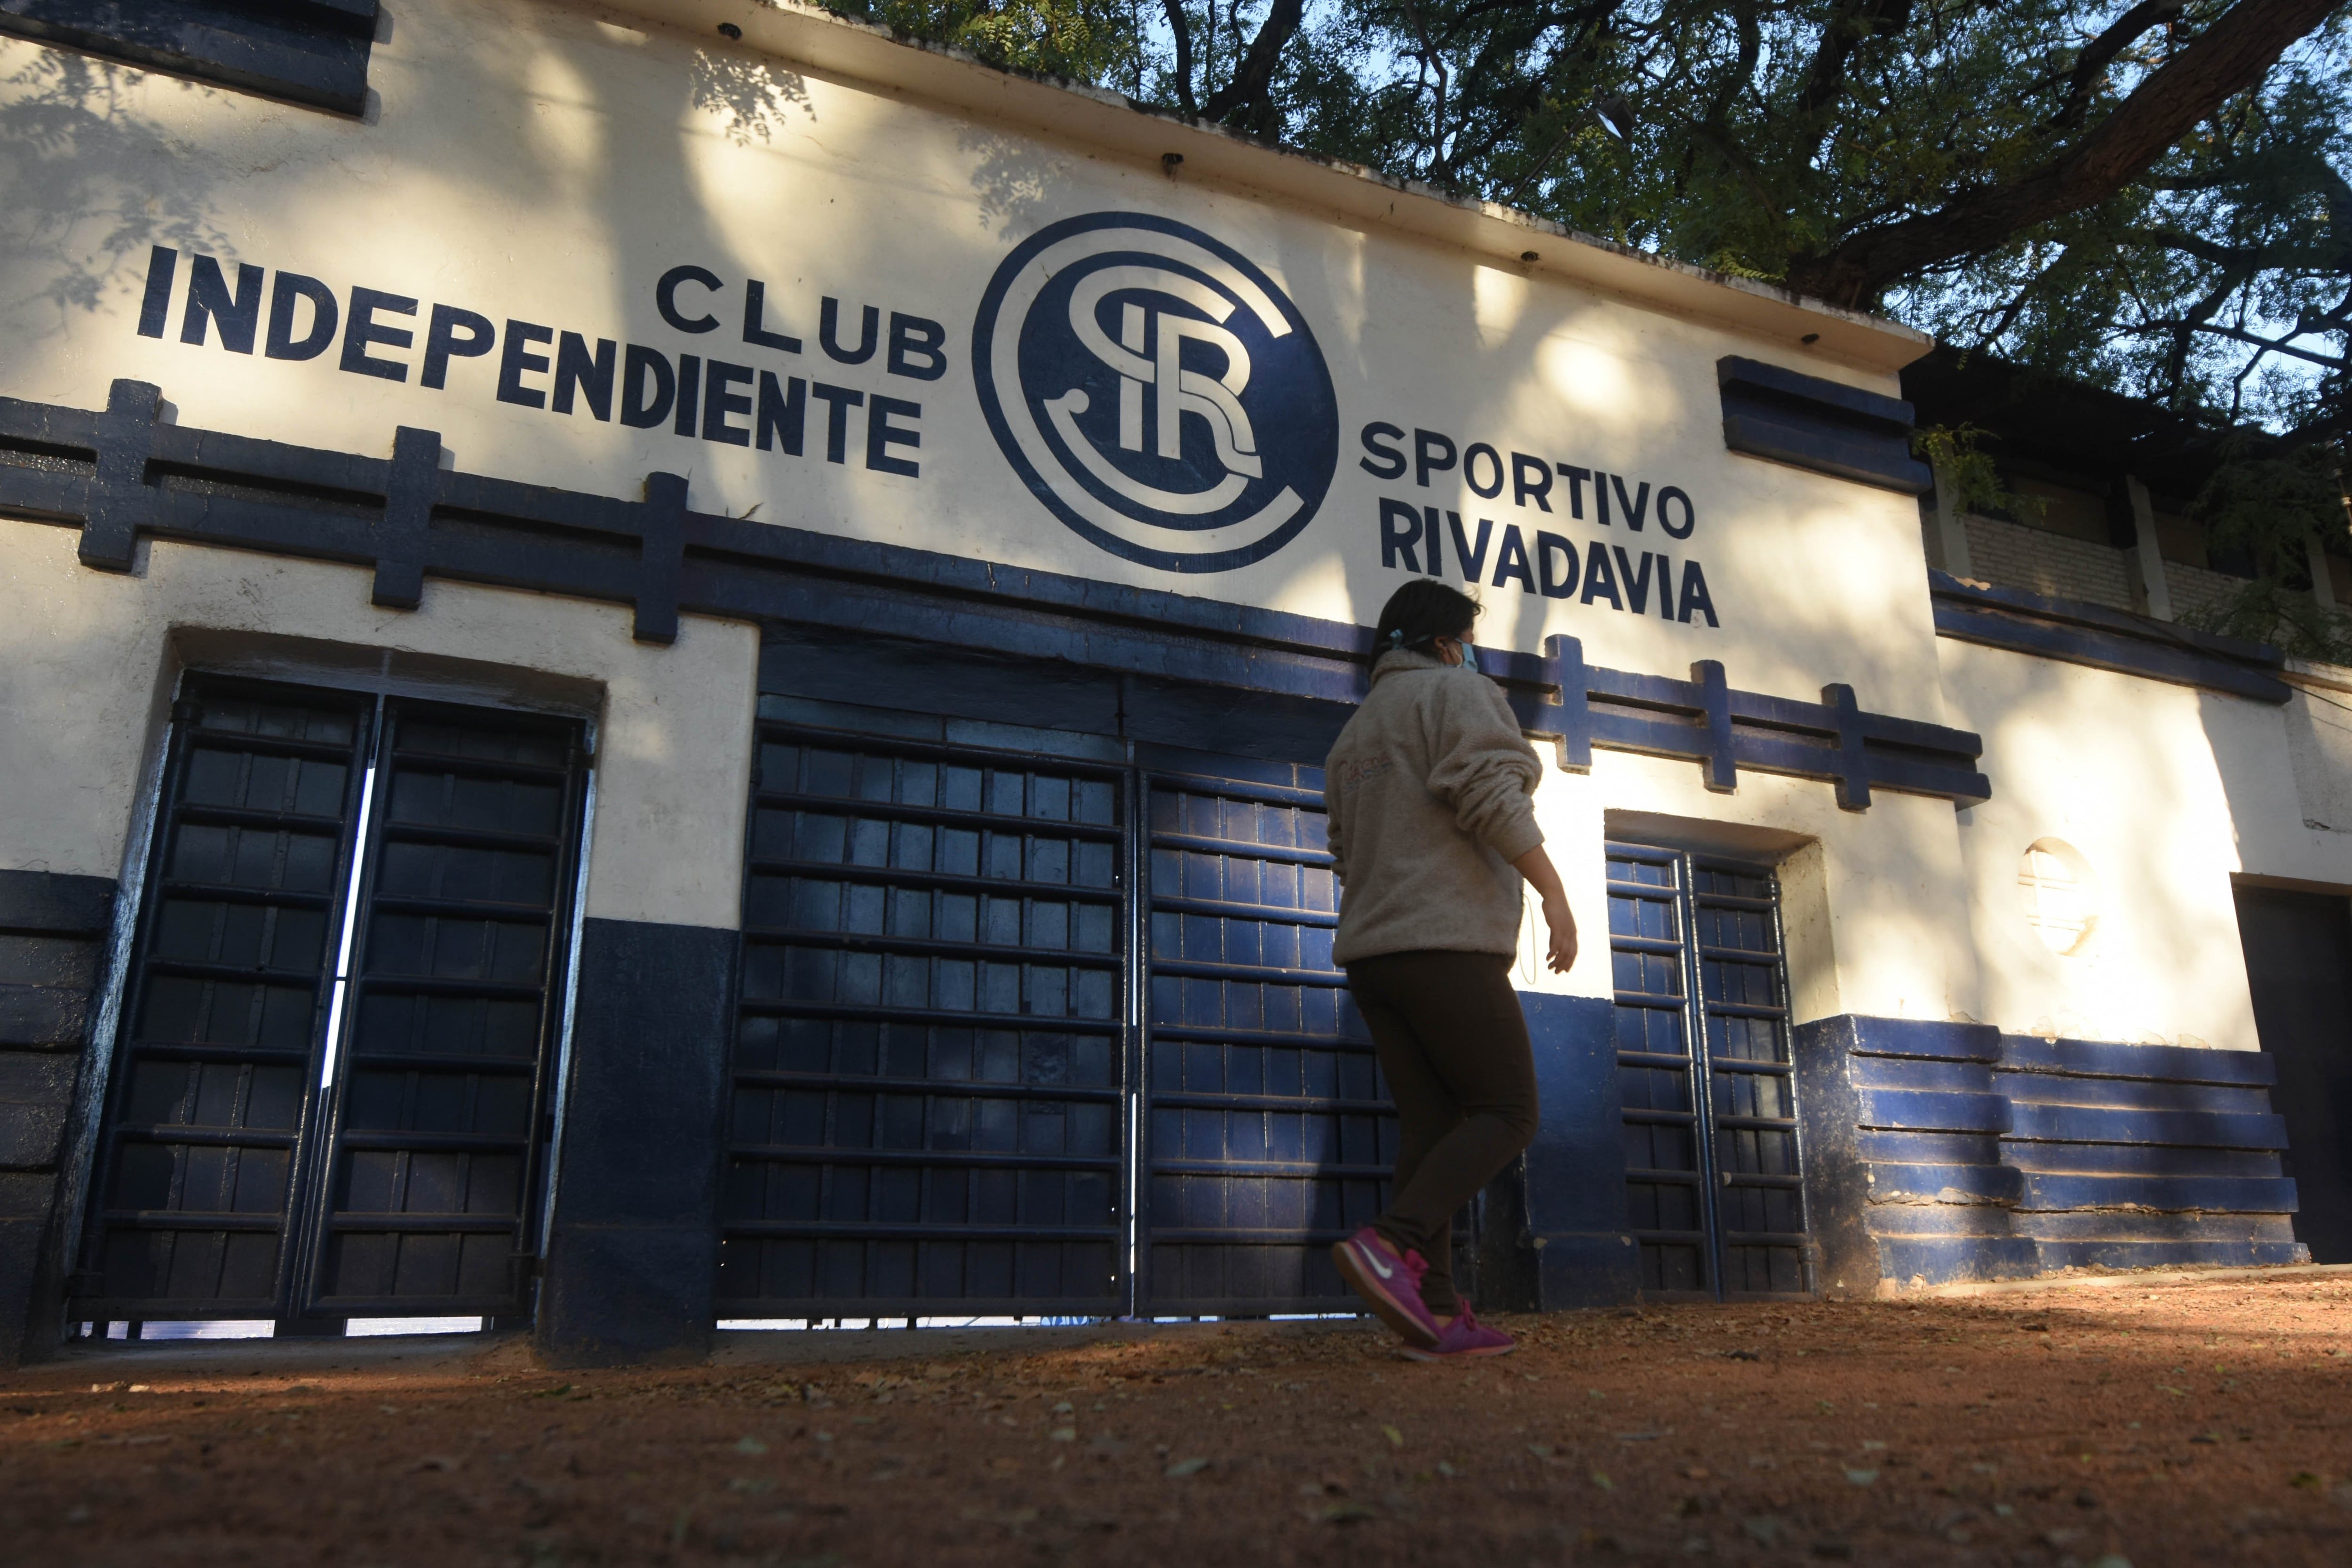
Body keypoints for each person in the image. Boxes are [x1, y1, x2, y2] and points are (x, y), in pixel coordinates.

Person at [1324, 580, 1577, 1360]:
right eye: (1470, 637)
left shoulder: (1354, 735)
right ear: (1444, 643)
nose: (1475, 651)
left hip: (1374, 960)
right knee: (1508, 1110)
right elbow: (1489, 791)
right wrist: (1553, 890)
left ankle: (1429, 1312)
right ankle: (1390, 1242)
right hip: (1447, 948)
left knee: (1432, 1129)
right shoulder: (1456, 692)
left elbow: (1344, 849)